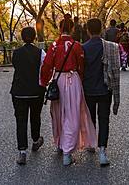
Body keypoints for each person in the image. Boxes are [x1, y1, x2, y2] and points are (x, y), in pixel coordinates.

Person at [40, 17, 96, 166]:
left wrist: (44, 82)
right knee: (72, 114)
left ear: (59, 29)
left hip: (58, 80)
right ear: (71, 29)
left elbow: (46, 66)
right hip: (73, 80)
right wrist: (81, 80)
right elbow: (81, 66)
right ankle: (67, 152)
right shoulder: (76, 45)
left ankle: (60, 143)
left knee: (58, 113)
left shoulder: (53, 45)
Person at [83, 18, 120, 166]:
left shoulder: (82, 48)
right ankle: (103, 151)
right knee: (104, 119)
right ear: (102, 29)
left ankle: (91, 144)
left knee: (90, 118)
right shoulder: (112, 47)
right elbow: (116, 70)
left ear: (87, 30)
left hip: (88, 89)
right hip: (105, 89)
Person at [10, 27, 46, 165]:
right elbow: (44, 70)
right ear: (35, 37)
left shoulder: (16, 53)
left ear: (22, 37)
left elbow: (16, 67)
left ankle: (22, 152)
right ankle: (36, 140)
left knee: (21, 120)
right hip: (36, 91)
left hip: (18, 91)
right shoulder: (40, 52)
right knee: (35, 116)